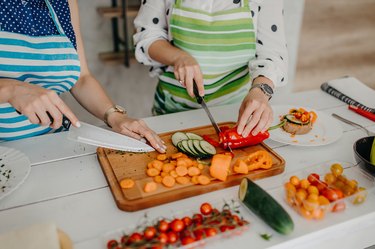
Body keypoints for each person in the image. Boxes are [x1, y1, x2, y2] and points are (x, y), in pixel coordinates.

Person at [0, 0, 166, 153]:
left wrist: (115, 117)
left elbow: (82, 78)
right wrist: (10, 90)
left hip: (50, 144)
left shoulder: (66, 3)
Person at [134, 0, 288, 138]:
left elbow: (272, 52)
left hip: (235, 114)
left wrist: (261, 90)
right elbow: (147, 36)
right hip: (172, 110)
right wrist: (179, 57)